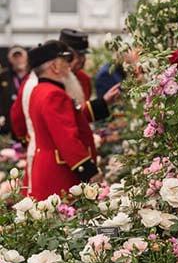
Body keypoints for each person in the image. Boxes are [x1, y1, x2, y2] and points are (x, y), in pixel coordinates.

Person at [11, 40, 120, 199]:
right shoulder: (54, 94)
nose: (68, 66)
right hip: (59, 171)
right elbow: (66, 137)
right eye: (64, 61)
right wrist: (88, 170)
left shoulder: (40, 90)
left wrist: (102, 104)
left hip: (48, 166)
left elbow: (70, 116)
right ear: (54, 66)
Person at [0, 45, 28, 134]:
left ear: (26, 56)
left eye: (20, 56)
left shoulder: (33, 75)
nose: (18, 59)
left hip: (28, 119)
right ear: (9, 59)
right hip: (8, 122)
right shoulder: (3, 76)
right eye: (15, 57)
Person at [59, 29, 92, 100]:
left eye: (84, 55)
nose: (83, 59)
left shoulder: (84, 79)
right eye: (79, 55)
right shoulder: (56, 78)